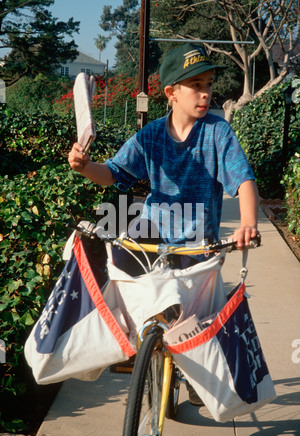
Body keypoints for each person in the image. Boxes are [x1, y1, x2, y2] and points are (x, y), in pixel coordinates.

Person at [68, 43, 259, 403]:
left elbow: (243, 180)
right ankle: (131, 339)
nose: (205, 93)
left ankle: (193, 367)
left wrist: (247, 222)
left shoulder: (218, 134)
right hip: (154, 227)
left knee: (193, 312)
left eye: (208, 84)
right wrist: (83, 167)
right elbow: (112, 173)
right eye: (196, 85)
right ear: (171, 93)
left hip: (196, 235)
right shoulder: (151, 135)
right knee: (121, 259)